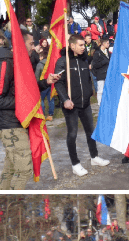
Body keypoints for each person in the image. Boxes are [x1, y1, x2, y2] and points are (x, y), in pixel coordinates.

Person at [46, 34, 109, 176]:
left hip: (85, 103)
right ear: (72, 45)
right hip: (71, 105)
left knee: (90, 132)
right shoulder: (63, 62)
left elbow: (87, 79)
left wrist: (89, 92)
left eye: (83, 45)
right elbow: (58, 83)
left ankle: (94, 157)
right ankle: (75, 164)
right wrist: (65, 99)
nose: (83, 47)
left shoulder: (84, 60)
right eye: (80, 45)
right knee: (72, 134)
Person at [0, 32, 33, 189]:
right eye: (31, 43)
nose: (34, 46)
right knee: (24, 170)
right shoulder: (5, 64)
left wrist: (46, 82)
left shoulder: (19, 63)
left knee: (10, 168)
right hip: (9, 125)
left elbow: (23, 91)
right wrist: (22, 103)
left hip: (16, 122)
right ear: (21, 45)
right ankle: (13, 204)